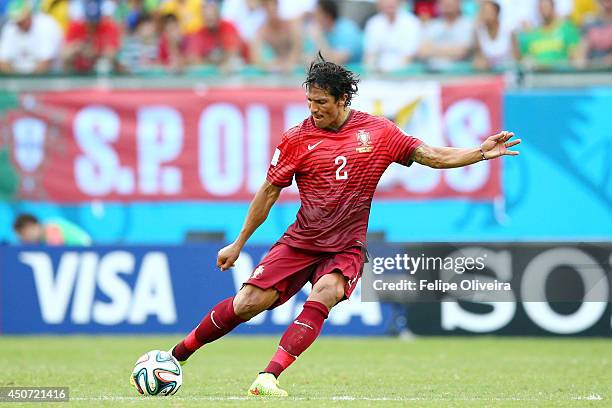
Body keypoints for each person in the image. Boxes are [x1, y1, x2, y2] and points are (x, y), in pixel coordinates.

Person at [169, 55, 521, 397]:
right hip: (302, 240)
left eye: (321, 102)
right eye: (309, 101)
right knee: (247, 302)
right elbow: (268, 192)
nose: (313, 109)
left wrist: (478, 152)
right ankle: (176, 357)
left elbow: (431, 155)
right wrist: (238, 244)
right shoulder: (296, 138)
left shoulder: (378, 132)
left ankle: (268, 376)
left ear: (343, 99)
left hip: (345, 245)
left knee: (327, 291)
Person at [0, 0, 62, 74]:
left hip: (48, 79)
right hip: (19, 80)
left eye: (22, 20)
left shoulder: (47, 26)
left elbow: (46, 62)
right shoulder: (10, 28)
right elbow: (2, 62)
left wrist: (25, 81)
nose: (19, 24)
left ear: (29, 14)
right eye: (17, 21)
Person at [516, 0, 581, 68]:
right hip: (538, 76)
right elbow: (522, 59)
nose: (544, 11)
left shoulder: (566, 29)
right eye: (542, 8)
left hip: (561, 75)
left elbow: (576, 57)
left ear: (553, 8)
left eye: (547, 7)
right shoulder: (531, 34)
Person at [62, 0, 121, 73]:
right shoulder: (75, 27)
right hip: (76, 73)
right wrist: (79, 48)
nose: (92, 25)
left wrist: (97, 53)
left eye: (95, 21)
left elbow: (112, 53)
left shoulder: (109, 27)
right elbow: (65, 54)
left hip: (99, 74)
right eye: (89, 21)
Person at [363, 0, 421, 72]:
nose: (390, 2)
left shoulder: (411, 22)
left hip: (405, 74)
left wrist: (390, 72)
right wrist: (370, 71)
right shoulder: (373, 23)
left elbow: (409, 56)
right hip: (378, 74)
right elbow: (370, 55)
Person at [418, 0, 474, 70]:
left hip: (460, 73)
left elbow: (462, 52)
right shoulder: (432, 25)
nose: (447, 4)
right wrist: (451, 50)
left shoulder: (468, 25)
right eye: (444, 2)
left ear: (459, 3)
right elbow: (422, 51)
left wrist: (433, 49)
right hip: (433, 72)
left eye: (451, 2)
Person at [306, 0, 363, 65]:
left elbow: (334, 62)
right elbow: (308, 59)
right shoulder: (322, 31)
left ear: (327, 15)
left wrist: (318, 38)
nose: (314, 18)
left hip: (354, 73)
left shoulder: (348, 30)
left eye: (317, 14)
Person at [474, 0, 514, 70]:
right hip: (489, 75)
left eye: (489, 12)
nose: (486, 15)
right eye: (484, 12)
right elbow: (479, 58)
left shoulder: (509, 31)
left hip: (508, 73)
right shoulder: (479, 32)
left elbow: (516, 58)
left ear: (497, 13)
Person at [13, 213, 92, 245]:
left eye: (23, 234)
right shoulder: (42, 237)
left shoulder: (51, 228)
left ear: (31, 226)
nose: (24, 239)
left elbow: (56, 252)